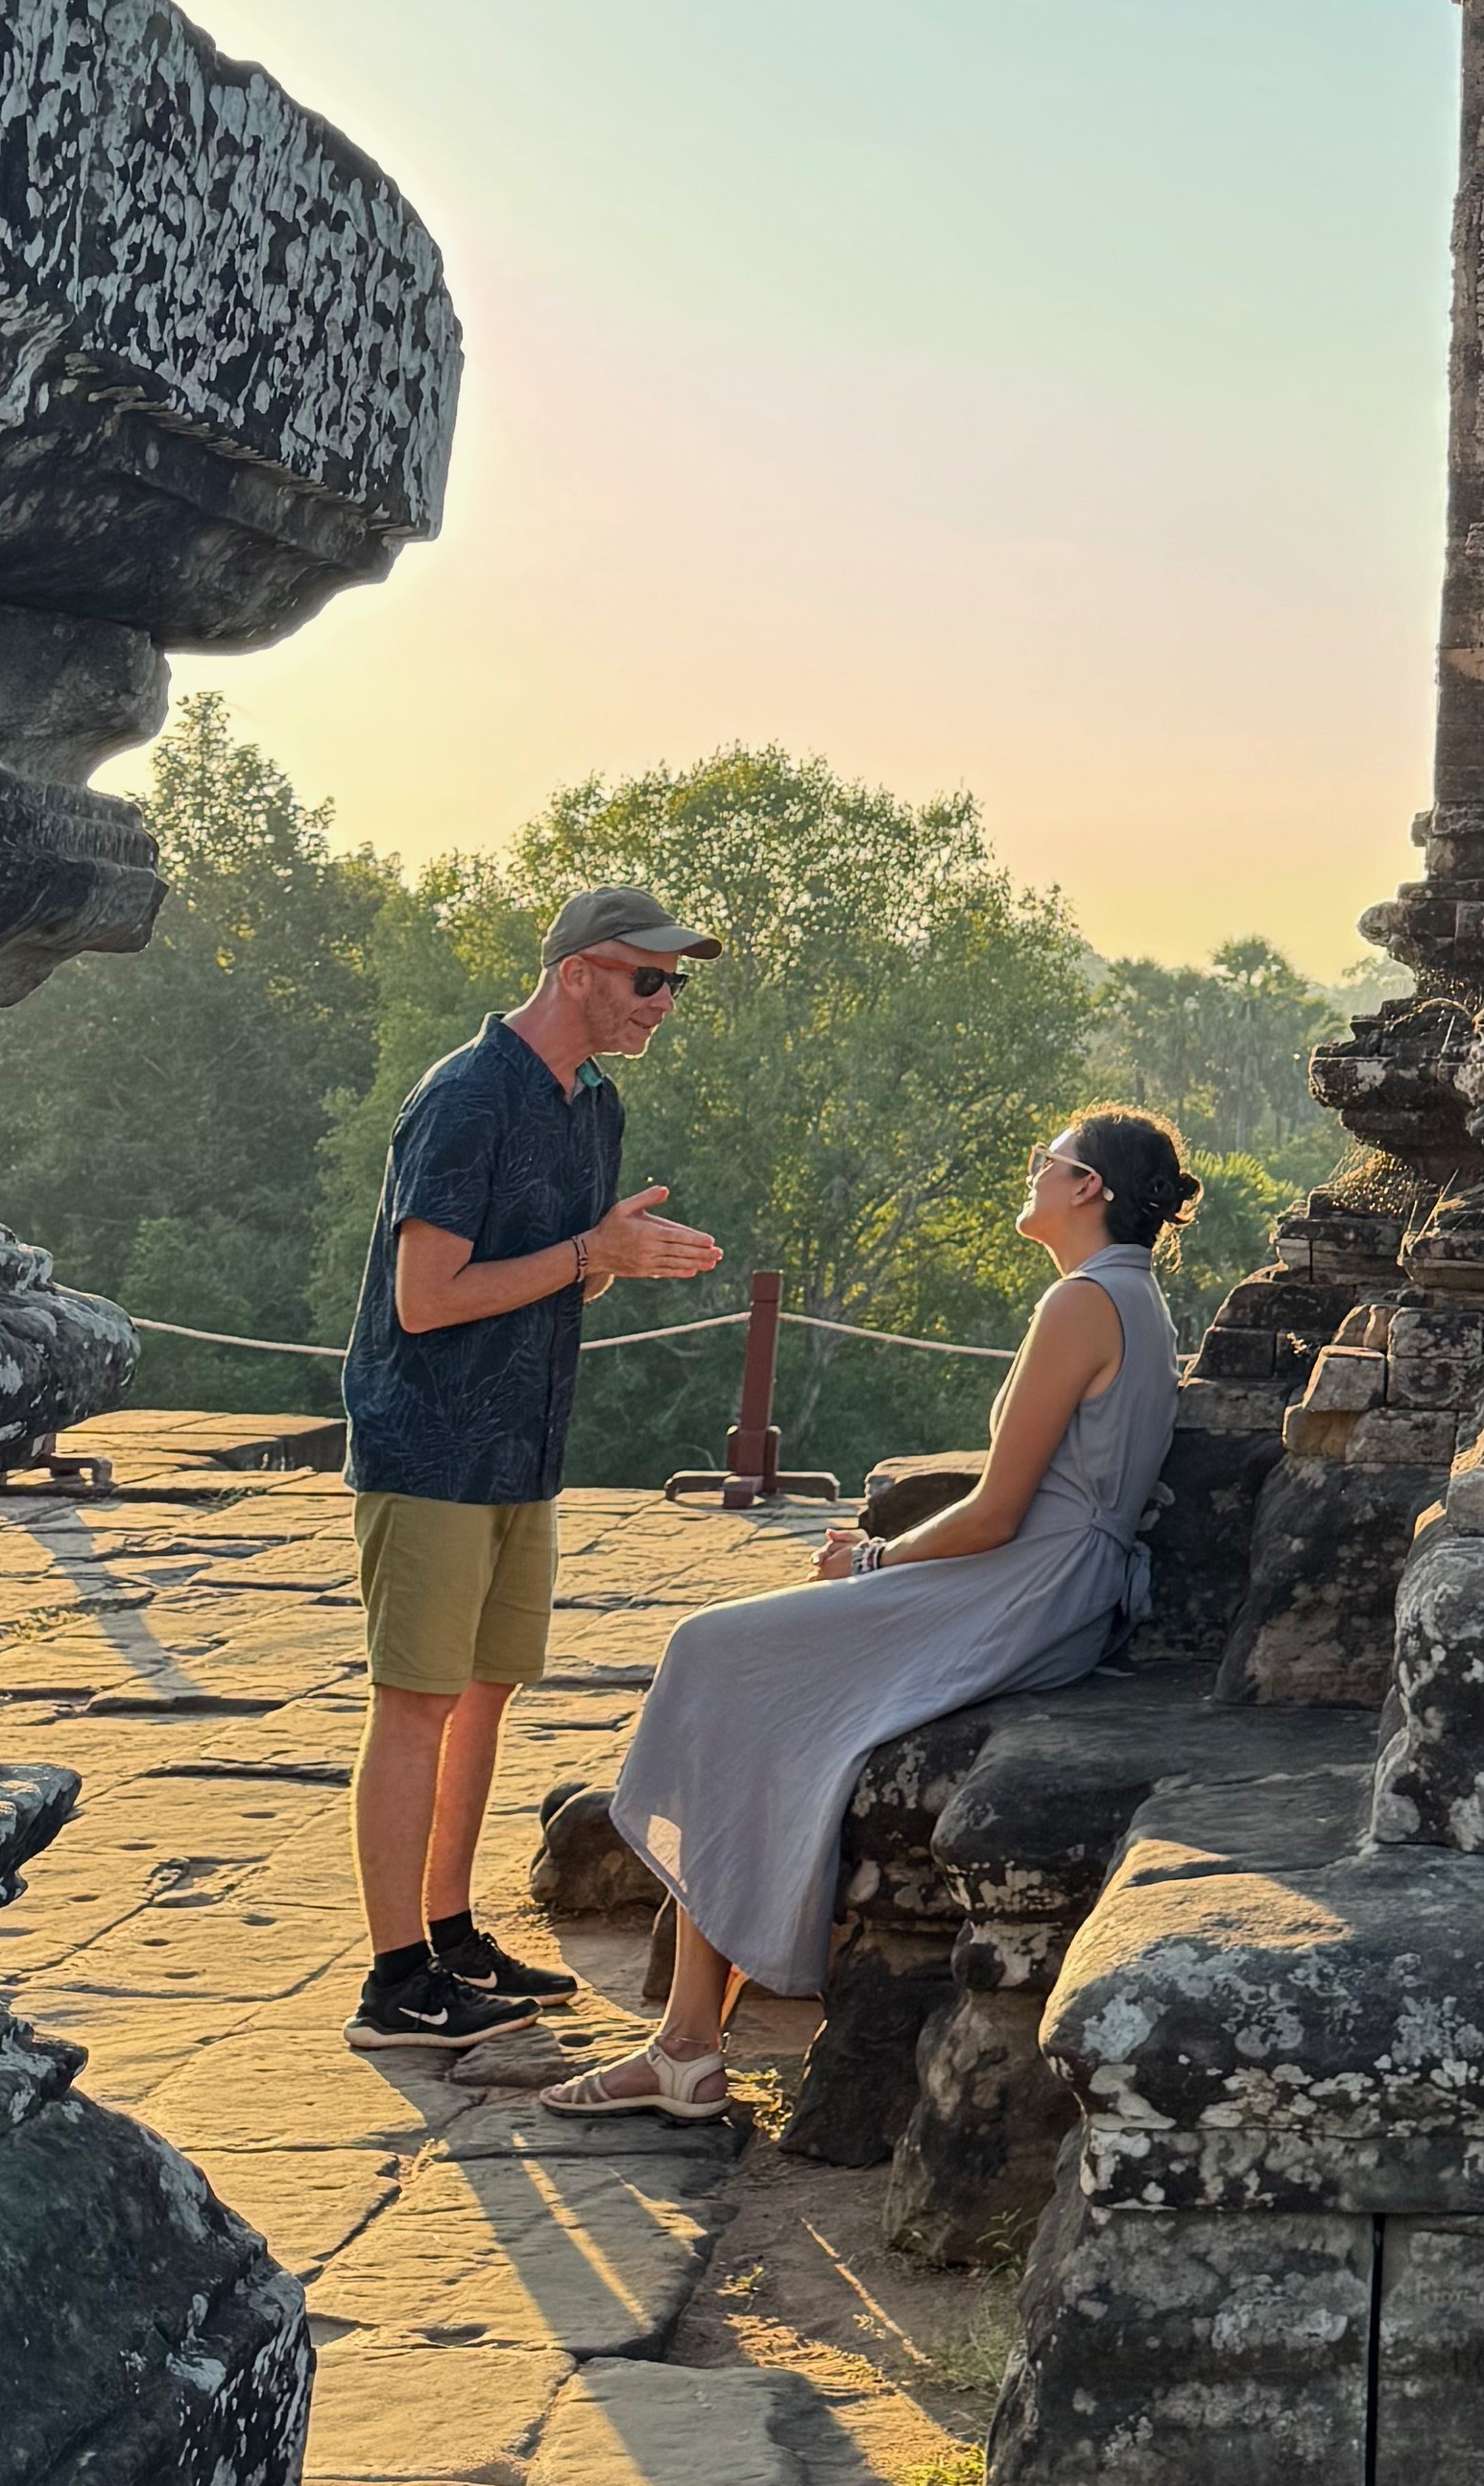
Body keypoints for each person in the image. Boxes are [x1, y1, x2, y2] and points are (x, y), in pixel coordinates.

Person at [540, 1107, 1199, 2121]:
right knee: (749, 1682)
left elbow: (994, 1511)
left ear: (1088, 1190)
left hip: (1026, 1586)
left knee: (714, 1651)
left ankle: (684, 2044)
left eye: (1048, 1161)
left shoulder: (1082, 1302)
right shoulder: (1135, 1299)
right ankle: (686, 2041)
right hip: (1057, 1584)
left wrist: (876, 1556)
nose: (1033, 1173)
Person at [340, 886, 724, 2052]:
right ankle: (393, 1977)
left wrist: (618, 1261)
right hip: (430, 1445)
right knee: (415, 1702)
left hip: (524, 1447)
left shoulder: (592, 1103)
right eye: (649, 979)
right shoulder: (463, 1098)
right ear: (577, 974)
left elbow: (564, 1270)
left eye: (675, 982)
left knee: (486, 1689)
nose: (666, 1002)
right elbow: (427, 1298)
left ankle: (450, 1934)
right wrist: (589, 1252)